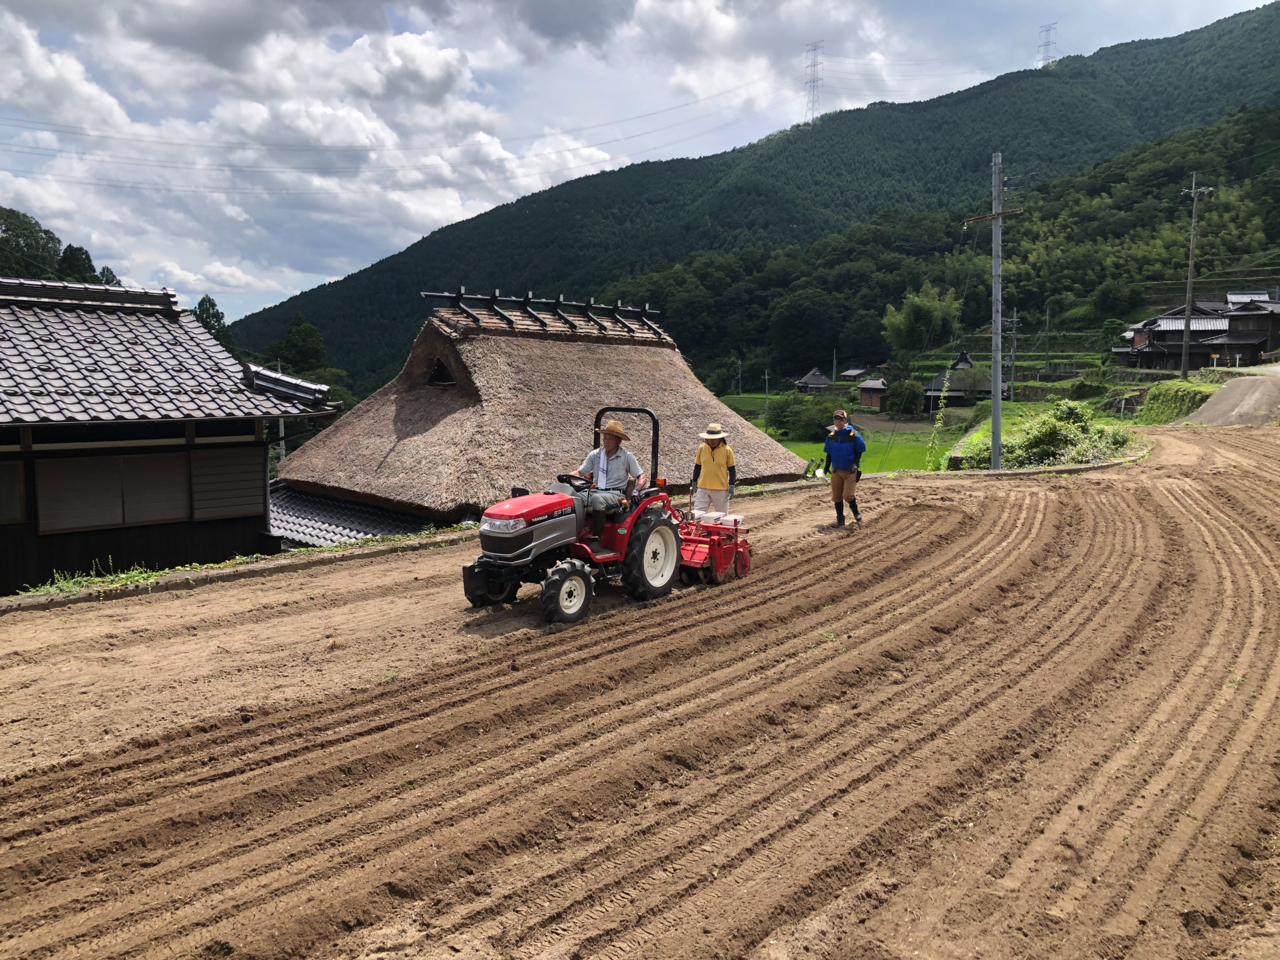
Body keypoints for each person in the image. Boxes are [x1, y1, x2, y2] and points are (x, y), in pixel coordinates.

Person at [571, 419, 647, 547]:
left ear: (619, 440)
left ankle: (595, 539)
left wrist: (636, 489)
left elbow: (642, 476)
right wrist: (565, 478)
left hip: (615, 494)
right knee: (571, 498)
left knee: (597, 499)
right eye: (605, 438)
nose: (606, 441)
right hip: (596, 490)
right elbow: (580, 473)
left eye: (610, 439)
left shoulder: (627, 456)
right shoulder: (595, 455)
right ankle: (573, 535)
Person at [822, 410, 865, 527]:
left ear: (845, 420)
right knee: (836, 496)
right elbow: (829, 454)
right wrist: (826, 468)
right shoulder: (831, 436)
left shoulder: (854, 435)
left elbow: (859, 451)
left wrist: (855, 464)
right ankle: (840, 520)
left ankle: (856, 513)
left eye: (840, 419)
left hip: (850, 471)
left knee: (848, 495)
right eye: (835, 419)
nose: (837, 421)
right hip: (836, 470)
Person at [690, 422, 737, 515]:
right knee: (697, 515)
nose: (712, 441)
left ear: (720, 438)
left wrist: (732, 485)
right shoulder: (701, 449)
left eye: (714, 439)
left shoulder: (727, 450)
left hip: (721, 489)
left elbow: (732, 469)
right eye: (709, 438)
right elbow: (698, 466)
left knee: (722, 517)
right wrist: (694, 481)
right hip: (703, 487)